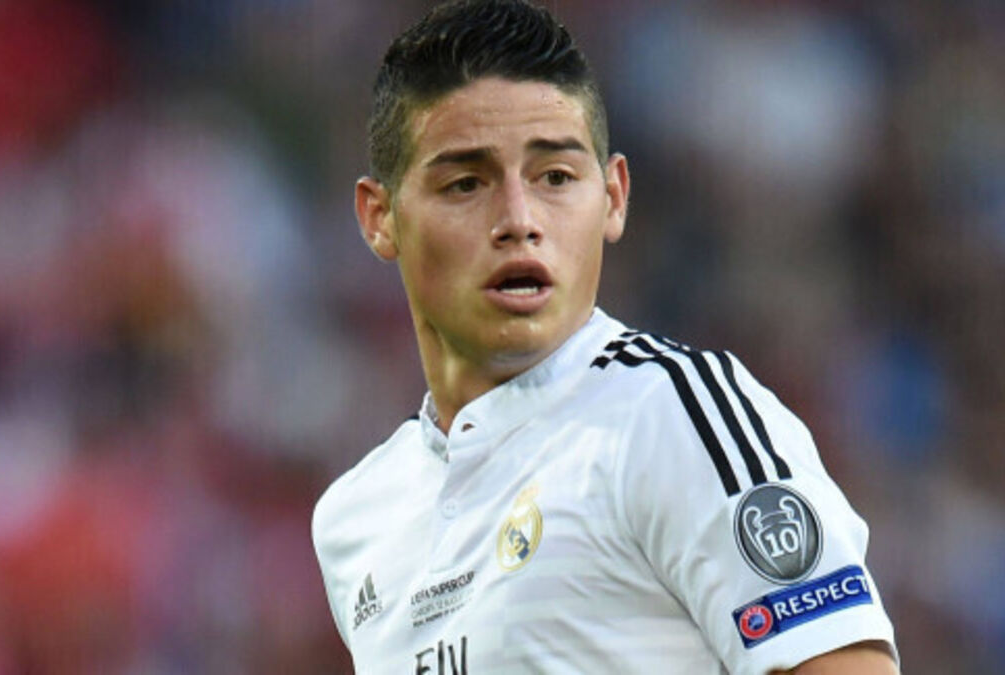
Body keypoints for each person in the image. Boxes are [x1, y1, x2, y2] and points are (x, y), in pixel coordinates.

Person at [311, 1, 899, 672]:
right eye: (465, 183)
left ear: (613, 197)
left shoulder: (669, 416)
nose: (519, 219)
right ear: (379, 216)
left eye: (555, 178)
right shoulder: (356, 518)